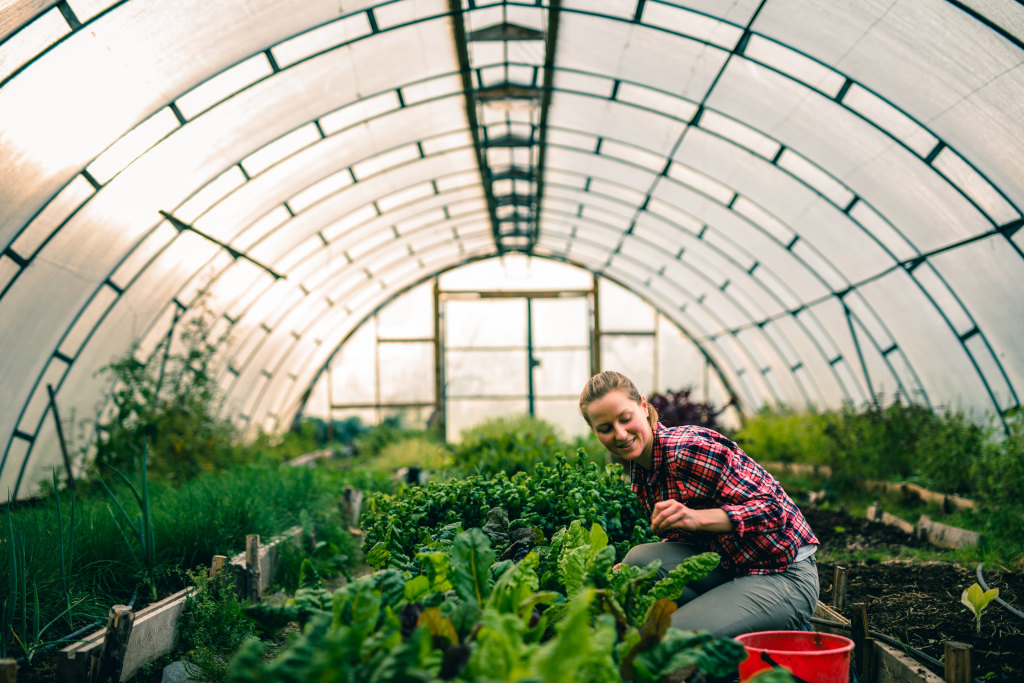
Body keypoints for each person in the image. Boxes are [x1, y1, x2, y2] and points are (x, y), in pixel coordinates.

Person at [579, 370, 820, 639]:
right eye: (605, 428)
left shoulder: (686, 450)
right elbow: (686, 537)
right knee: (637, 563)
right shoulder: (642, 471)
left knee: (663, 640)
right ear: (594, 432)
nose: (620, 434)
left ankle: (780, 623)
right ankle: (734, 619)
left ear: (643, 407)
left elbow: (774, 511)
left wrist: (696, 518)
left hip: (782, 572)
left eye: (625, 419)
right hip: (734, 565)